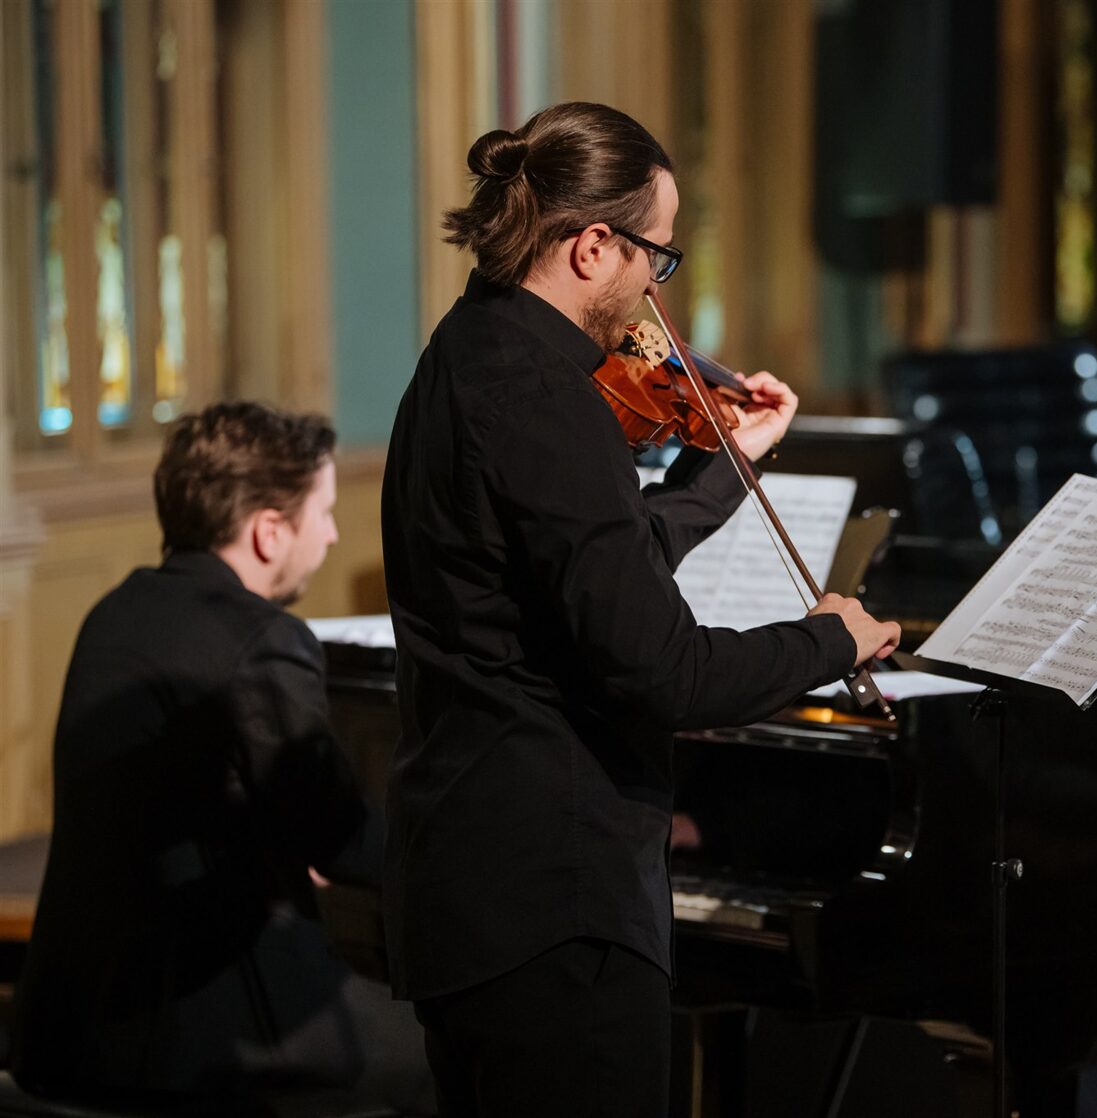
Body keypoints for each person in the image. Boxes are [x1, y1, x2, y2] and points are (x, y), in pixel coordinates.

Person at [381, 101, 900, 1117]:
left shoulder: (468, 350)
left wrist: (722, 463)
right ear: (592, 247)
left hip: (477, 891)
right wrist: (830, 637)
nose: (657, 290)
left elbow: (597, 566)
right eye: (656, 257)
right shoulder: (548, 398)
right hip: (554, 905)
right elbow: (669, 672)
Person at [12, 402, 433, 1115]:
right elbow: (341, 839)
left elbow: (183, 796)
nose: (333, 533)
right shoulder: (263, 641)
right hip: (201, 1038)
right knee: (456, 1057)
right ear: (269, 531)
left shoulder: (115, 612)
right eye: (323, 512)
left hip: (66, 1027)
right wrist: (467, 855)